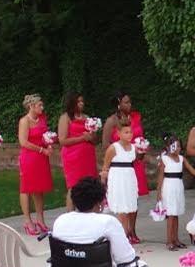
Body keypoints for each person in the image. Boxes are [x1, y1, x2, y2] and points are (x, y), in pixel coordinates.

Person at [51, 176, 137, 267]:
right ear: (99, 203)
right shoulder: (107, 222)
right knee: (140, 266)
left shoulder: (60, 220)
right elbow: (125, 258)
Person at [103, 91, 149, 241]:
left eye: (130, 102)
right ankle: (123, 231)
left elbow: (139, 136)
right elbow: (105, 143)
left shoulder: (135, 118)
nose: (129, 105)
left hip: (133, 160)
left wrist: (141, 149)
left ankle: (132, 230)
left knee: (132, 197)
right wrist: (120, 150)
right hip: (119, 160)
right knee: (122, 198)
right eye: (126, 102)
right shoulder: (112, 121)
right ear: (119, 103)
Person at [156, 135, 195, 251]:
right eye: (174, 146)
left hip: (178, 186)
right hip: (168, 187)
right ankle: (169, 241)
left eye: (179, 146)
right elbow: (161, 176)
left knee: (175, 214)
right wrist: (159, 192)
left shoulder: (181, 159)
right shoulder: (164, 159)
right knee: (170, 215)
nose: (177, 148)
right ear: (168, 147)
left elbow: (191, 169)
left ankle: (176, 239)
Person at [17, 93, 54, 236]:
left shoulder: (42, 119)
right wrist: (41, 150)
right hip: (29, 157)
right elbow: (23, 142)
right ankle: (28, 221)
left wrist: (48, 145)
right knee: (26, 188)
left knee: (39, 188)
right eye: (39, 105)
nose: (42, 107)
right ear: (31, 106)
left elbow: (45, 136)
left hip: (42, 157)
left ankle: (40, 219)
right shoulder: (24, 121)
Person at [58, 92, 99, 210]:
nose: (81, 104)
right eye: (78, 101)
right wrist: (82, 138)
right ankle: (70, 214)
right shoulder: (65, 118)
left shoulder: (87, 118)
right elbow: (62, 140)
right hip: (73, 157)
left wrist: (91, 137)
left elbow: (95, 140)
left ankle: (91, 213)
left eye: (82, 101)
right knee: (74, 185)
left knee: (91, 185)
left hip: (87, 156)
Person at [100, 119, 139, 243]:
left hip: (129, 177)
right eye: (126, 132)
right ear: (119, 133)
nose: (129, 134)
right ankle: (123, 236)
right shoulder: (113, 148)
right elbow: (105, 166)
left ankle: (128, 232)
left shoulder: (133, 148)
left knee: (129, 206)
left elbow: (134, 161)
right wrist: (103, 184)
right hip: (117, 178)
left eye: (130, 132)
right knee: (121, 208)